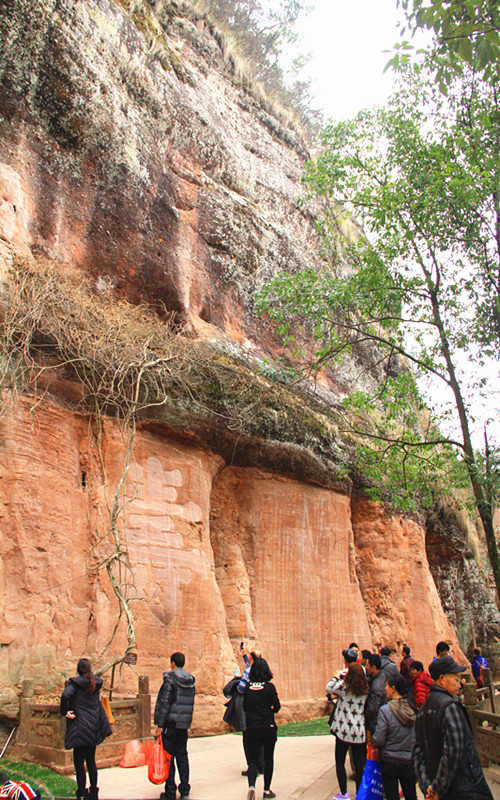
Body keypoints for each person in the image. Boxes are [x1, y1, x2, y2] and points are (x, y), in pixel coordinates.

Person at [413, 654, 493, 800]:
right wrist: (437, 788)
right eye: (456, 679)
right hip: (462, 789)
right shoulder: (449, 707)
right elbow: (453, 750)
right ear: (442, 679)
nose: (459, 684)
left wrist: (428, 788)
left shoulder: (423, 710)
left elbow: (417, 753)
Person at [60, 658, 112, 800]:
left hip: (79, 728)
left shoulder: (76, 684)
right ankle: (94, 793)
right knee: (91, 762)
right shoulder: (95, 683)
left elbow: (65, 696)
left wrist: (64, 712)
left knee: (79, 763)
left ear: (78, 669)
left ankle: (82, 793)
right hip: (93, 727)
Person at [154, 652, 196, 800]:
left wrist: (160, 724)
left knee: (169, 757)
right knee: (182, 756)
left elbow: (165, 703)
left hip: (170, 724)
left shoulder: (170, 679)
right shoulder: (190, 680)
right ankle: (184, 789)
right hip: (183, 725)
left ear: (172, 663)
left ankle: (170, 791)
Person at [328, 662, 369, 800]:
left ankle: (344, 793)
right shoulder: (366, 690)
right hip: (358, 731)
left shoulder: (344, 688)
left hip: (343, 730)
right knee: (359, 766)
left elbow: (329, 688)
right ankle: (359, 794)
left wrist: (336, 677)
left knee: (340, 762)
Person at [373, 674, 417, 800]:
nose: (384, 688)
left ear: (393, 688)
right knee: (411, 795)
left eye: (386, 686)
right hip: (409, 760)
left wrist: (374, 742)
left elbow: (380, 739)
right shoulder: (413, 708)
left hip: (390, 760)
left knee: (391, 796)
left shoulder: (385, 710)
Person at [243, 657, 280, 800]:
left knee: (253, 760)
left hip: (252, 727)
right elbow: (277, 706)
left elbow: (245, 707)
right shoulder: (269, 687)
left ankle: (252, 786)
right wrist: (269, 710)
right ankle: (266, 790)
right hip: (267, 726)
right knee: (268, 758)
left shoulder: (248, 687)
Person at [365, 654, 387, 733]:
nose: (366, 667)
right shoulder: (381, 676)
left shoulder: (377, 686)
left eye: (367, 665)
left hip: (374, 723)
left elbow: (372, 709)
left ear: (373, 667)